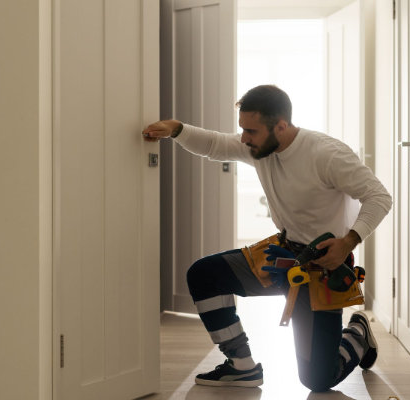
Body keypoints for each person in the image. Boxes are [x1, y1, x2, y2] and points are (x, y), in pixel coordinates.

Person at [142, 85, 392, 392]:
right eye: (242, 130)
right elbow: (215, 144)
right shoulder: (259, 148)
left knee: (318, 380)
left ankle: (356, 334)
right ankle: (241, 367)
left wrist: (348, 241)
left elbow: (379, 197)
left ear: (281, 126)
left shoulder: (327, 154)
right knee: (204, 275)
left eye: (251, 130)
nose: (244, 138)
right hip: (281, 257)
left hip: (322, 269)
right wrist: (176, 129)